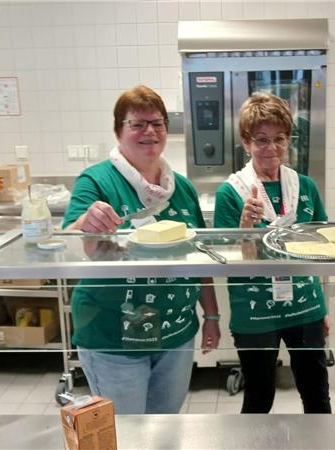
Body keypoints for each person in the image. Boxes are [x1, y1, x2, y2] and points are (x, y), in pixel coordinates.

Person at [62, 85, 220, 414]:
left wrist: (212, 315)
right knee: (128, 432)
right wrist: (85, 224)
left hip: (176, 332)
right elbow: (71, 242)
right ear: (119, 131)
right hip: (114, 337)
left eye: (158, 123)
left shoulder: (181, 187)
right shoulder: (95, 181)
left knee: (165, 427)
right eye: (137, 124)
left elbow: (199, 257)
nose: (150, 131)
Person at [214, 92, 331, 414]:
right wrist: (245, 227)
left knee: (317, 395)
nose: (272, 149)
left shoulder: (304, 187)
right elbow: (231, 263)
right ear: (245, 141)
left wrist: (324, 306)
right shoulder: (232, 192)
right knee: (259, 399)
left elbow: (320, 250)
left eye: (279, 139)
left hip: (305, 307)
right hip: (255, 313)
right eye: (262, 140)